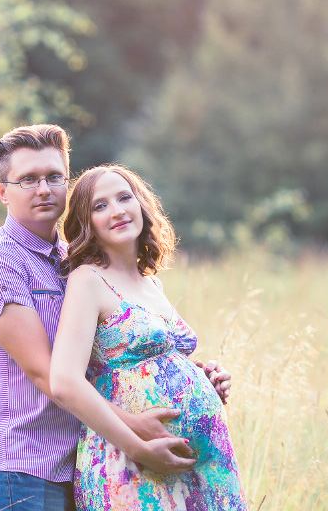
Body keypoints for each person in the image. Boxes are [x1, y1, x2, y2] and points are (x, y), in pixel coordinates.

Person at [0, 124, 230, 511]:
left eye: (54, 177)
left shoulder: (76, 260)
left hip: (89, 460)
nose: (44, 189)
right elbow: (47, 374)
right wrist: (133, 431)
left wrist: (188, 377)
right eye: (28, 179)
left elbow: (111, 354)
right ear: (3, 191)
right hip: (27, 469)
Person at [50, 164, 248, 511]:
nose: (117, 211)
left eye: (124, 198)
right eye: (100, 206)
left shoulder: (151, 283)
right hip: (132, 466)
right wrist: (138, 449)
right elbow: (65, 382)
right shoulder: (88, 280)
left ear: (141, 204)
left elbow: (153, 364)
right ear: (86, 222)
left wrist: (203, 378)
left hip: (204, 467)